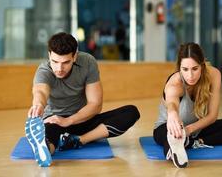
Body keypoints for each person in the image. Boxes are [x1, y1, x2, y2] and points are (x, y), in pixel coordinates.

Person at [26, 32, 140, 166]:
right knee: (50, 132)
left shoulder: (87, 62)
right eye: (55, 61)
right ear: (49, 55)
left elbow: (95, 104)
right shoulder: (44, 70)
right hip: (54, 120)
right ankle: (45, 149)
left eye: (66, 62)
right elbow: (40, 91)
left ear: (75, 56)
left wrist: (69, 120)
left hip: (81, 119)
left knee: (131, 112)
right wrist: (38, 105)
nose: (59, 68)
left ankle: (78, 140)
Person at [153, 43, 222, 168]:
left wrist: (188, 130)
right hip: (168, 128)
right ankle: (177, 143)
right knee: (170, 135)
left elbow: (212, 116)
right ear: (179, 68)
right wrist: (172, 113)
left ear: (202, 65)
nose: (190, 75)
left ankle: (190, 142)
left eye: (195, 69)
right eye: (185, 69)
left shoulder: (214, 75)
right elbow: (172, 102)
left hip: (196, 129)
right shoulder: (175, 83)